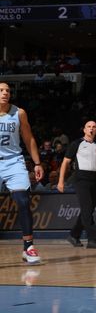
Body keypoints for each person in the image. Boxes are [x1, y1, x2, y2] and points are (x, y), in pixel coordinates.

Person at [57, 121, 96, 249]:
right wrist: (60, 181)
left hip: (93, 180)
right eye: (88, 127)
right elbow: (65, 163)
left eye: (94, 127)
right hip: (80, 179)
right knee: (87, 209)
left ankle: (74, 235)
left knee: (88, 210)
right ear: (84, 130)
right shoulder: (76, 144)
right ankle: (92, 239)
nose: (91, 129)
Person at [0, 81, 44, 264]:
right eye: (1, 90)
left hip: (14, 162)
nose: (5, 93)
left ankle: (28, 247)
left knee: (23, 201)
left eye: (7, 91)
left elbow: (28, 138)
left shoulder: (19, 113)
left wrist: (37, 163)